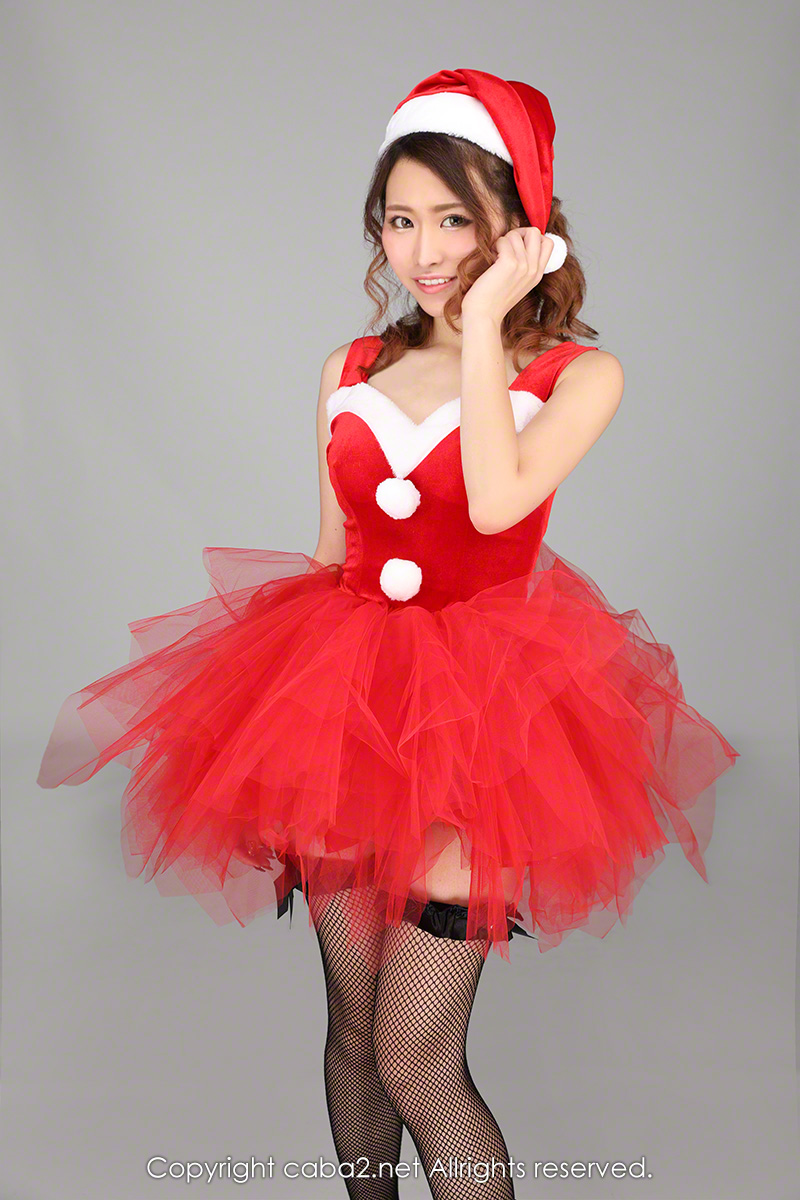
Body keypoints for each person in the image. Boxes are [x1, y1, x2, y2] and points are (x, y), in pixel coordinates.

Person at [37, 68, 739, 1200]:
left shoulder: (578, 375)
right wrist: (282, 711)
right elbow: (332, 551)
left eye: (454, 219)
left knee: (418, 1058)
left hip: (483, 720)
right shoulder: (350, 369)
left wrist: (484, 323)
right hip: (347, 705)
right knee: (355, 1038)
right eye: (400, 220)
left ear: (521, 223)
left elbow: (497, 502)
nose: (423, 250)